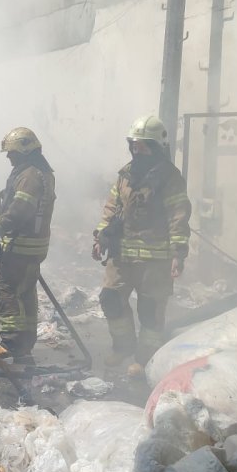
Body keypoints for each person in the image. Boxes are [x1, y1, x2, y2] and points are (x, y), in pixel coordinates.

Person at [93, 115, 191, 367]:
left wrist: (177, 253)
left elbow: (178, 215)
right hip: (121, 254)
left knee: (150, 310)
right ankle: (123, 348)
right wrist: (101, 236)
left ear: (157, 147)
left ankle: (145, 359)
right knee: (110, 298)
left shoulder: (170, 178)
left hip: (155, 258)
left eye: (143, 145)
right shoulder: (125, 175)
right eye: (134, 145)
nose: (137, 150)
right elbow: (111, 208)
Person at [0, 127, 56, 365]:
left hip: (23, 246)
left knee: (6, 290)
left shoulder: (30, 175)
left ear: (24, 150)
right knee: (25, 293)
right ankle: (24, 345)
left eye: (11, 153)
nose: (9, 158)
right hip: (32, 244)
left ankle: (10, 343)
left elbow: (18, 213)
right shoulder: (40, 172)